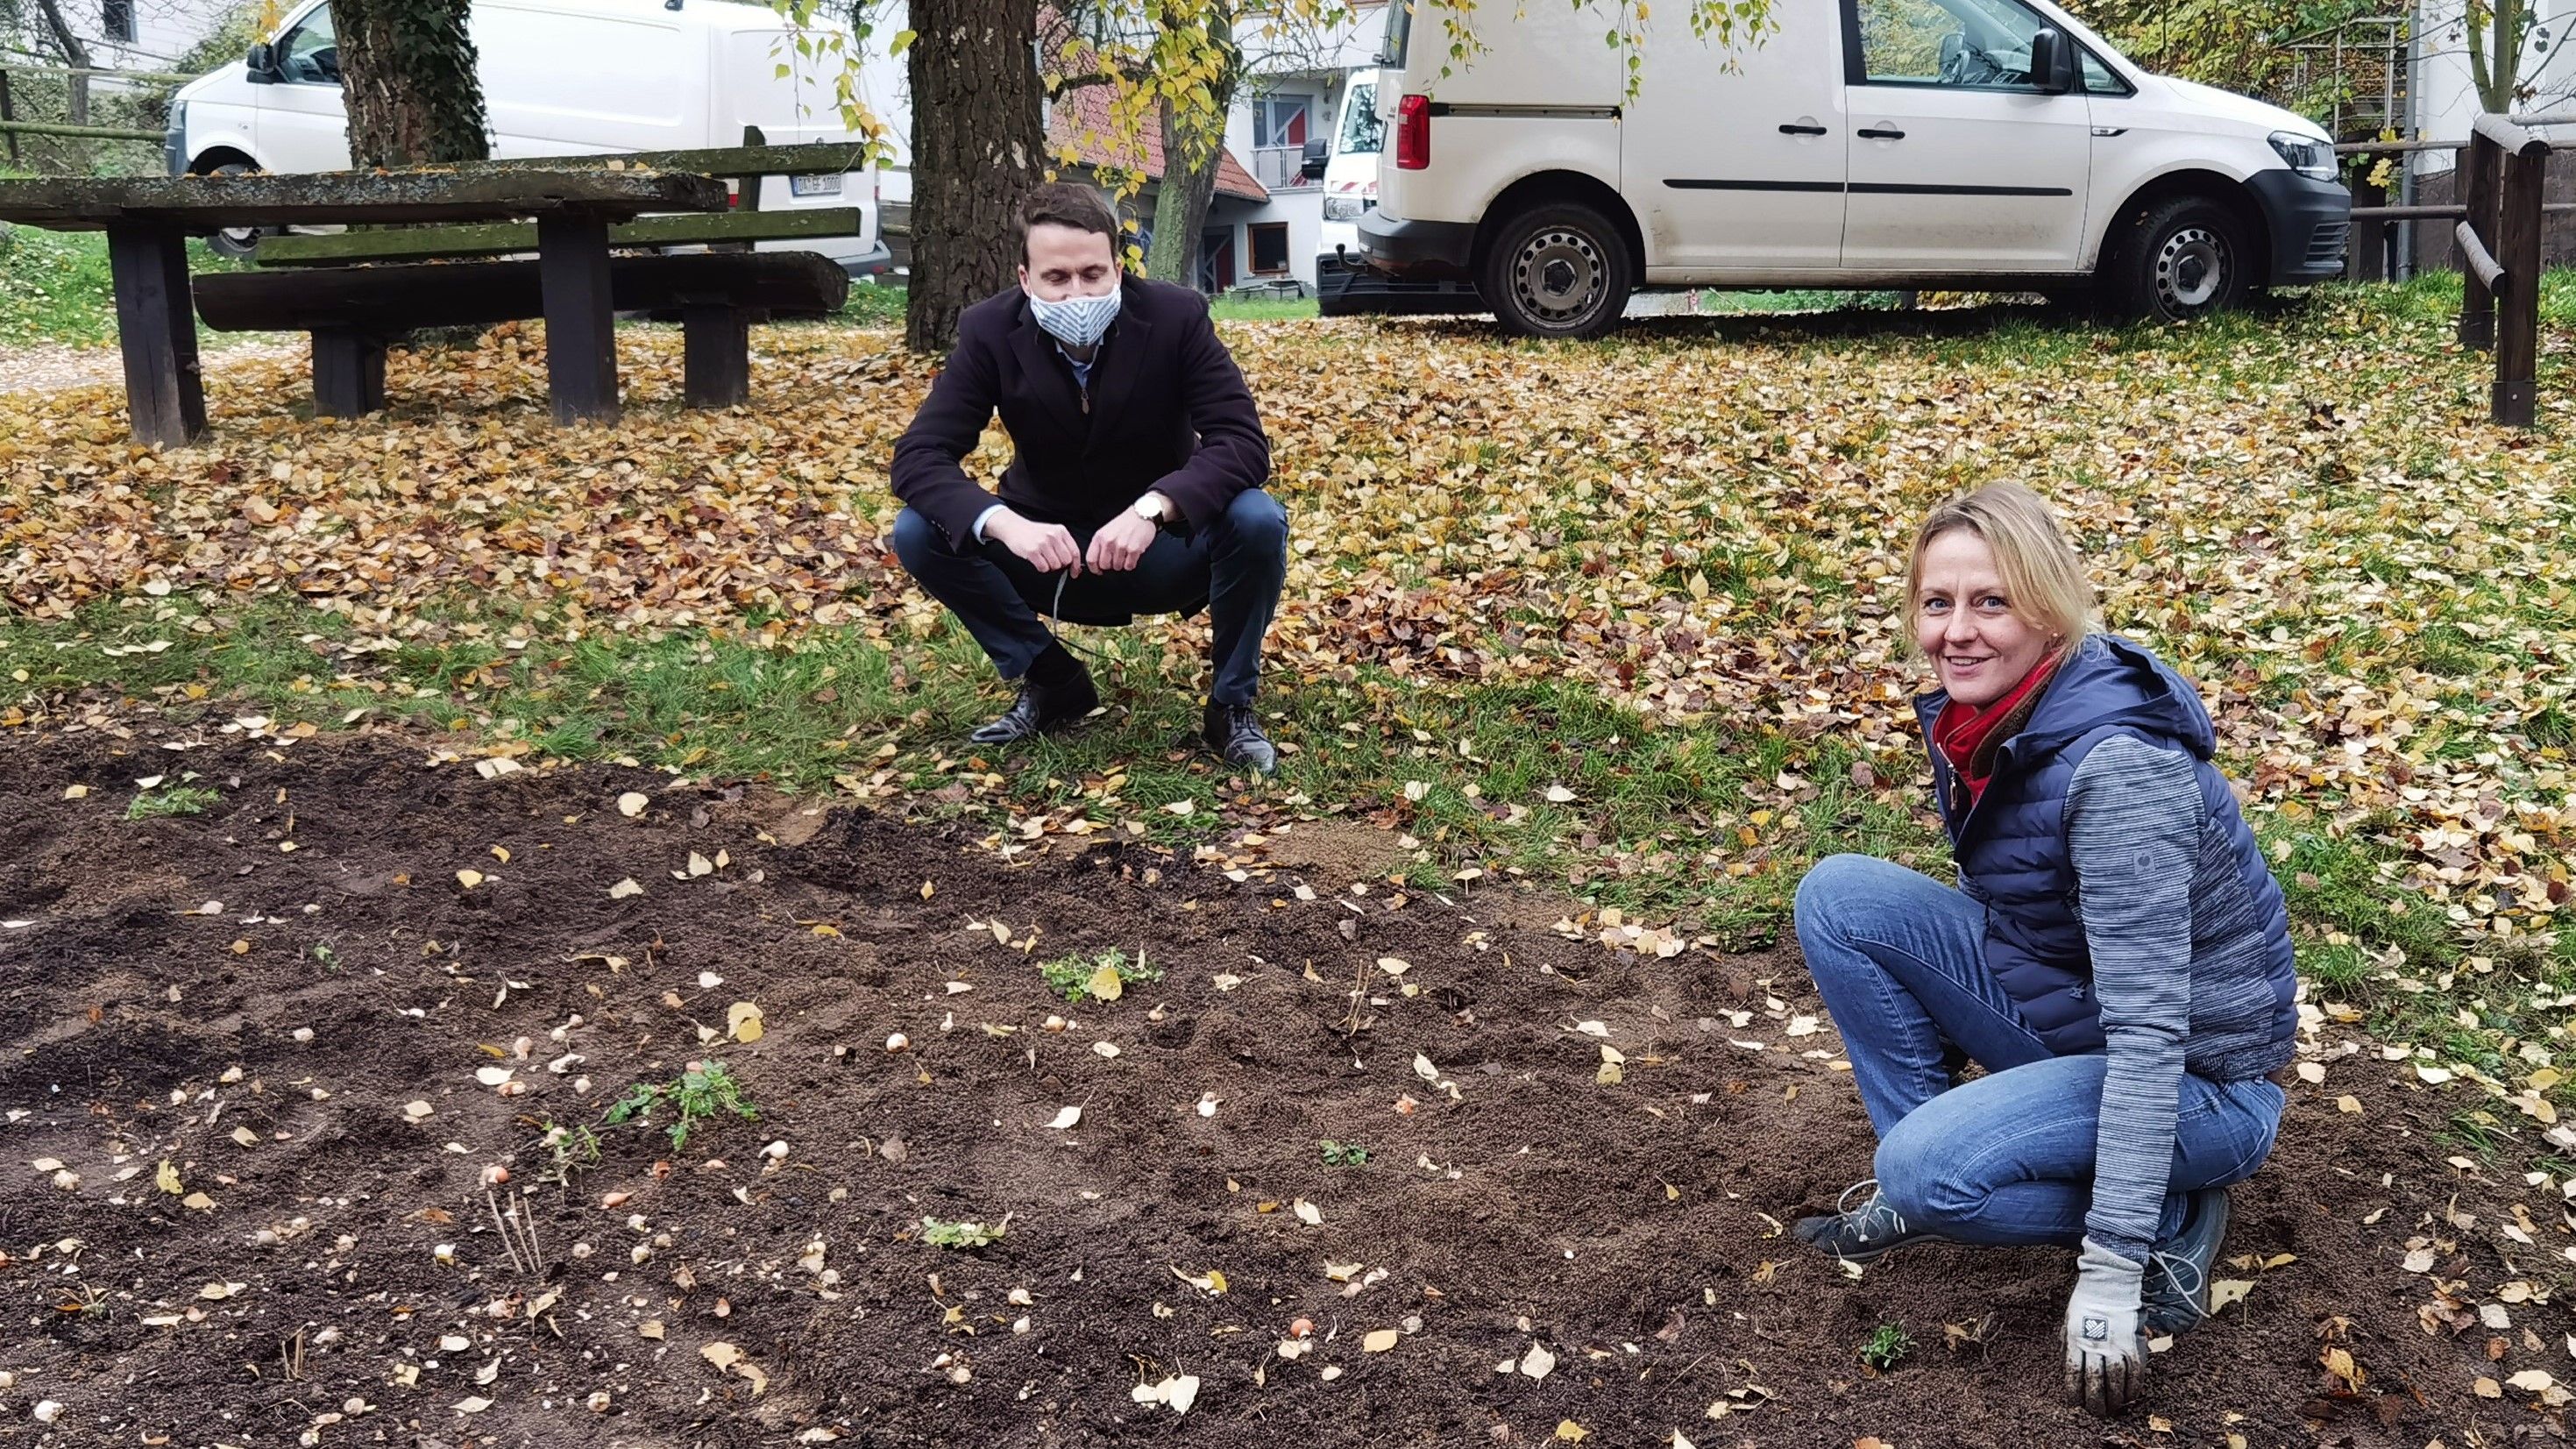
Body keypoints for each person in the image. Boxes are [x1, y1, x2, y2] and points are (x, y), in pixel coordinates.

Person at [1786, 482, 2297, 1417]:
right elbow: (2016, 916)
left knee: (1927, 1169)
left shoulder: (2115, 772)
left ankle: (2167, 1221)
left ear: (2049, 611)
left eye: (1991, 601)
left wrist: (2105, 1273)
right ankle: (1930, 1174)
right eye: (1936, 603)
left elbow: (2152, 1034)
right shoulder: (1990, 722)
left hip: (2202, 1084)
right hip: (2081, 1019)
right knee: (1839, 896)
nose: (1956, 631)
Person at [889, 182, 1287, 774]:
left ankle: (1231, 706)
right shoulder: (988, 331)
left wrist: (1154, 508)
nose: (1077, 291)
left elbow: (1242, 443)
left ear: (1118, 269)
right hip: (1047, 558)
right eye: (1057, 278)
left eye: (1092, 273)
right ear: (1025, 279)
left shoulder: (1176, 317)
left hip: (1164, 551)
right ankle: (1052, 680)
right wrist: (1003, 524)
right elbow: (919, 454)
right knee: (917, 529)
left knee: (1258, 516)